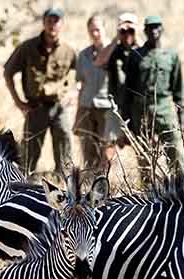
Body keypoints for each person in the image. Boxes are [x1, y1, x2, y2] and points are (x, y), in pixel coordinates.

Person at [4, 7, 77, 176]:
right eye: (49, 21)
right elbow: (8, 72)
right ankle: (21, 188)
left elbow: (81, 75)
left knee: (65, 155)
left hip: (60, 108)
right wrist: (18, 102)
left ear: (62, 24)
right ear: (44, 23)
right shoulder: (28, 47)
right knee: (28, 156)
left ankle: (65, 190)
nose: (52, 25)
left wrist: (74, 93)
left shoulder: (68, 50)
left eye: (56, 21)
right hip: (35, 108)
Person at [124, 15, 184, 184]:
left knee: (175, 151)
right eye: (150, 27)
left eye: (157, 27)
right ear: (144, 31)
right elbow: (128, 90)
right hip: (141, 109)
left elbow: (178, 89)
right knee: (145, 154)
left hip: (165, 108)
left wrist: (181, 119)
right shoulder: (136, 55)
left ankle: (182, 187)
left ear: (162, 29)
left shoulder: (171, 55)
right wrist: (127, 120)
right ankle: (148, 191)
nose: (154, 31)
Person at [74, 15, 118, 174]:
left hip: (107, 107)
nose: (95, 33)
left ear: (104, 29)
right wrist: (78, 113)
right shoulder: (83, 55)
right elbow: (81, 83)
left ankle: (104, 184)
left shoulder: (114, 51)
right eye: (92, 30)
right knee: (88, 149)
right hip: (87, 106)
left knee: (106, 151)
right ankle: (89, 186)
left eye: (98, 29)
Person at [95, 12, 139, 131]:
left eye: (131, 30)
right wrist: (116, 39)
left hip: (138, 106)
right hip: (117, 105)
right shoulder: (114, 51)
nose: (127, 34)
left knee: (144, 144)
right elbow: (98, 62)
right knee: (110, 144)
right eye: (124, 31)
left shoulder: (142, 50)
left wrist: (137, 37)